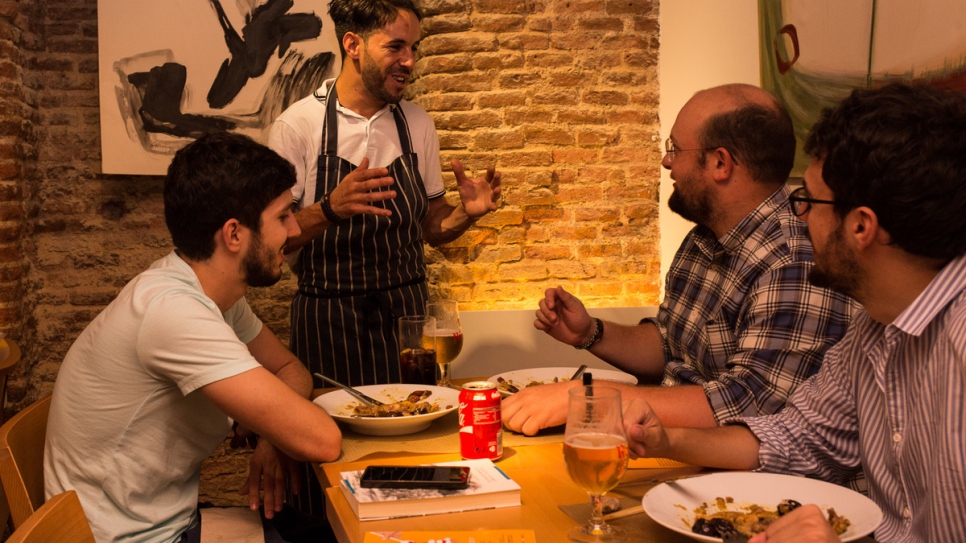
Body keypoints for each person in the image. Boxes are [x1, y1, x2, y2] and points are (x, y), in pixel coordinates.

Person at [624, 83, 966, 543]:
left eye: (809, 199)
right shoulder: (873, 330)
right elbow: (798, 437)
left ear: (861, 226)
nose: (797, 214)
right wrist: (668, 441)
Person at [503, 84, 855, 435]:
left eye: (675, 148)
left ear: (720, 163)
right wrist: (591, 333)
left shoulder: (792, 259)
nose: (666, 160)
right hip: (670, 447)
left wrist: (590, 398)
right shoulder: (705, 235)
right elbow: (671, 346)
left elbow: (749, 404)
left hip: (742, 476)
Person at [44, 132, 343, 543]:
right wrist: (284, 428)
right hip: (131, 539)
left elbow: (289, 369)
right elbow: (322, 440)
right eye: (282, 216)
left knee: (326, 532)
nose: (293, 231)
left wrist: (274, 432)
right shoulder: (173, 312)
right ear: (234, 234)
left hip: (170, 523)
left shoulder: (208, 290)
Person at [268, 0, 501, 387]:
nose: (409, 61)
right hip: (329, 321)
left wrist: (465, 214)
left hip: (408, 321)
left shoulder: (417, 124)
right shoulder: (297, 127)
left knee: (418, 430)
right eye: (396, 47)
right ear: (353, 45)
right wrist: (331, 208)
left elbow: (432, 225)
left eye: (414, 49)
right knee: (331, 440)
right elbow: (274, 241)